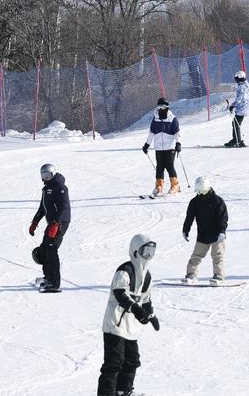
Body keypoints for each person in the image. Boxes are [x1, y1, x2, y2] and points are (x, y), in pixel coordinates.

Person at [98, 233, 160, 396]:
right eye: (145, 251)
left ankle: (123, 391)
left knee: (132, 361)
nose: (148, 256)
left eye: (151, 252)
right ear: (135, 251)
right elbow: (120, 294)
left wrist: (151, 315)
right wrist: (136, 309)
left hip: (131, 328)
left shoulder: (146, 276)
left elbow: (146, 299)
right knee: (114, 363)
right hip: (115, 325)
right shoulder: (124, 270)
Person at [28, 163, 71, 293]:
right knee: (44, 249)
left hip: (60, 222)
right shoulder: (46, 189)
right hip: (51, 223)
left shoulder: (60, 187)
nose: (46, 178)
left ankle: (54, 282)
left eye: (48, 175)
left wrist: (56, 224)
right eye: (44, 176)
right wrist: (35, 222)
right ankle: (48, 277)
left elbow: (64, 207)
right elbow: (42, 208)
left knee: (52, 249)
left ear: (53, 174)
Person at [182, 176, 229, 285]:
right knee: (196, 256)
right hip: (203, 234)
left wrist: (222, 231)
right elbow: (189, 217)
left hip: (217, 234)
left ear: (208, 189)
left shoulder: (217, 201)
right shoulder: (194, 202)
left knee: (217, 256)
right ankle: (191, 275)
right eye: (199, 191)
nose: (201, 194)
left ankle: (219, 276)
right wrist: (186, 230)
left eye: (203, 191)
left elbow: (223, 218)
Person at [142, 98, 181, 195]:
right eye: (159, 106)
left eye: (162, 106)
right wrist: (147, 145)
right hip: (158, 147)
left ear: (167, 107)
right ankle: (159, 186)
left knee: (169, 165)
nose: (160, 109)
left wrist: (178, 143)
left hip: (170, 146)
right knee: (159, 167)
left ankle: (175, 185)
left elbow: (177, 132)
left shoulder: (172, 118)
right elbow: (152, 133)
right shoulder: (155, 119)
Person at [225, 70, 249, 148]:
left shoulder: (242, 86)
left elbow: (240, 98)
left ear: (240, 78)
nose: (236, 80)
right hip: (244, 107)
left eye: (236, 78)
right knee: (235, 124)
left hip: (242, 108)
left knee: (236, 124)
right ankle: (235, 140)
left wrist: (233, 106)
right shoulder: (246, 85)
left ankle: (238, 141)